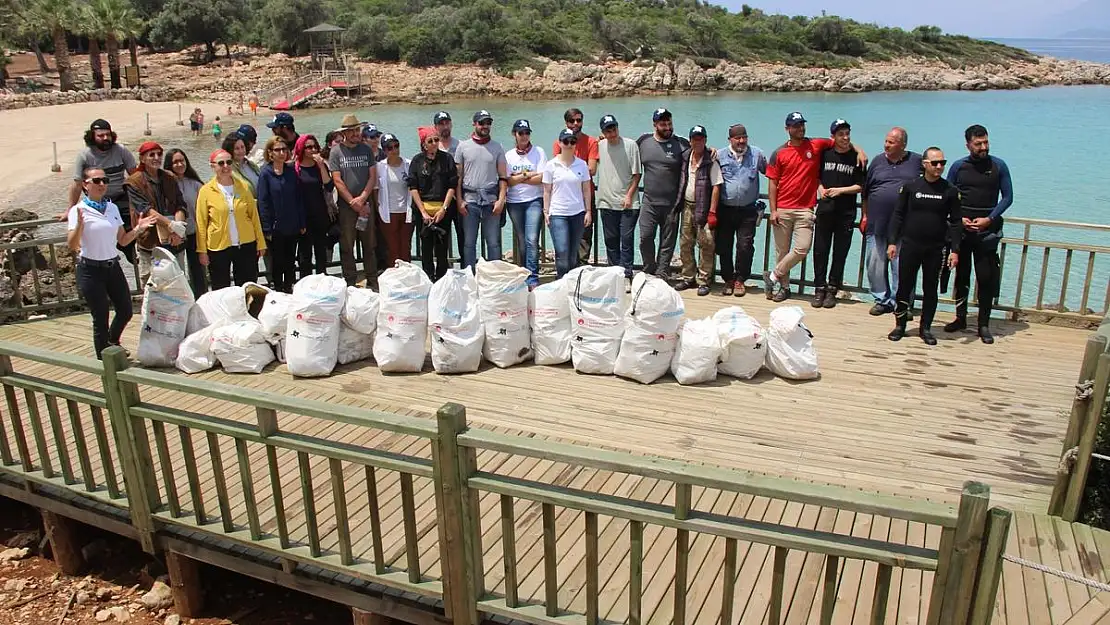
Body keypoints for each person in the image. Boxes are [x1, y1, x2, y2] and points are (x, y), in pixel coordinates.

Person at [764, 112, 865, 302]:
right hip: (783, 208)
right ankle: (784, 288)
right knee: (782, 251)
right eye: (796, 126)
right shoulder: (778, 153)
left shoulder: (816, 145)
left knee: (802, 249)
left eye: (802, 125)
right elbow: (772, 183)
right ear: (787, 129)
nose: (800, 128)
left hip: (805, 209)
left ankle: (773, 275)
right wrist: (773, 209)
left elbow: (840, 141)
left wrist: (859, 150)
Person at [68, 167, 158, 358]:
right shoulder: (78, 210)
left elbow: (123, 240)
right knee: (100, 318)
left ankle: (112, 342)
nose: (102, 184)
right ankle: (105, 360)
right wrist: (79, 227)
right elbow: (72, 244)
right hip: (90, 269)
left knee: (126, 310)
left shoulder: (112, 208)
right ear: (85, 185)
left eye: (105, 180)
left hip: (112, 266)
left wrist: (139, 229)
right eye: (97, 181)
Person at [944, 125, 1014, 345]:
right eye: (978, 144)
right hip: (963, 232)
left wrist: (990, 219)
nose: (983, 147)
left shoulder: (999, 166)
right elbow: (949, 195)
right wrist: (960, 219)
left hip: (987, 232)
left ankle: (984, 324)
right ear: (968, 145)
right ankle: (960, 318)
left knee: (985, 278)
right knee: (961, 277)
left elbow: (1008, 197)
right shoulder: (958, 166)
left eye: (986, 142)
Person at [886, 147, 962, 345]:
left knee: (931, 289)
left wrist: (955, 250)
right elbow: (898, 215)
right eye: (935, 163)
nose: (939, 167)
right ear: (925, 164)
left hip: (936, 249)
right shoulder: (911, 187)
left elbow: (956, 222)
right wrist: (892, 242)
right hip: (911, 245)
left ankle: (925, 328)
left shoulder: (950, 191)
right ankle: (900, 325)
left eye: (942, 163)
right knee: (904, 286)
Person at [861, 127, 922, 315]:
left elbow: (932, 182)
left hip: (905, 226)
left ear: (903, 144)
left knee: (902, 266)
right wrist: (864, 216)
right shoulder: (877, 161)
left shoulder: (917, 161)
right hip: (877, 224)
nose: (886, 145)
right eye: (886, 141)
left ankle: (901, 303)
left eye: (891, 142)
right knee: (875, 265)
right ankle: (882, 299)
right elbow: (865, 192)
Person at [811, 119, 865, 308]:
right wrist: (820, 189)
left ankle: (833, 288)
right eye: (841, 134)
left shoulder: (857, 158)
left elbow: (861, 186)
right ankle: (819, 287)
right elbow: (815, 177)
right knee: (820, 250)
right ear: (832, 136)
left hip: (846, 213)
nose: (845, 137)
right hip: (825, 210)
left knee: (840, 252)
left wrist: (840, 190)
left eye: (847, 133)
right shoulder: (825, 154)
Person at [195, 149, 267, 289]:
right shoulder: (205, 191)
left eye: (229, 162)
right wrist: (202, 251)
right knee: (221, 287)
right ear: (213, 166)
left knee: (248, 285)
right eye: (221, 163)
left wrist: (261, 243)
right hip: (218, 247)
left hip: (246, 244)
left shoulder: (244, 187)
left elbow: (254, 217)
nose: (226, 166)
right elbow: (201, 223)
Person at [70, 119, 138, 263]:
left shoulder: (121, 150)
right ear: (92, 136)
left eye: (108, 135)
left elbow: (135, 175)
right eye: (100, 135)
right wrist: (70, 210)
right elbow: (77, 185)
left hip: (121, 196)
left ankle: (131, 252)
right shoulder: (85, 155)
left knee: (132, 221)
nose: (105, 138)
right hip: (96, 200)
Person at [124, 141, 188, 286]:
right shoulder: (133, 182)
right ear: (142, 159)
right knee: (153, 289)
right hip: (149, 244)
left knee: (178, 286)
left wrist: (178, 229)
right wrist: (171, 225)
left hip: (174, 243)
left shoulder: (169, 177)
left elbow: (180, 204)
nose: (156, 157)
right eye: (151, 154)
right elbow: (145, 209)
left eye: (159, 154)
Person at [637, 108, 689, 279]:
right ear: (655, 125)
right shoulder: (643, 142)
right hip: (649, 202)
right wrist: (603, 141)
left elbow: (698, 153)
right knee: (645, 238)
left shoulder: (681, 144)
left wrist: (711, 151)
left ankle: (662, 272)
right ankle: (649, 267)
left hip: (672, 205)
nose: (667, 127)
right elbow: (625, 151)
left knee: (667, 243)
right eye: (663, 124)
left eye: (669, 123)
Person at [715, 123, 766, 297]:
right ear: (730, 139)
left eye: (744, 137)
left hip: (748, 210)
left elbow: (773, 174)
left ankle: (740, 279)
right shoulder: (719, 155)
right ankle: (728, 279)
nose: (741, 141)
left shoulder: (757, 155)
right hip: (725, 209)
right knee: (724, 246)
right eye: (737, 138)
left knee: (745, 246)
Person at [455, 109, 508, 270]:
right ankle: (470, 276)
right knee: (469, 243)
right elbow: (458, 178)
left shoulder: (497, 147)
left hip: (491, 201)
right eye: (482, 123)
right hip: (470, 201)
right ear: (474, 124)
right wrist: (459, 200)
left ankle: (494, 277)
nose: (485, 126)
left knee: (493, 243)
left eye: (488, 123)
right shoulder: (462, 147)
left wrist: (501, 200)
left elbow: (503, 177)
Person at [329, 114, 378, 287]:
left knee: (369, 245)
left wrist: (363, 198)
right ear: (344, 133)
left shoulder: (366, 150)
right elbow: (337, 180)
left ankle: (372, 281)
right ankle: (350, 282)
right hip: (347, 207)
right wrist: (353, 202)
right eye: (352, 131)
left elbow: (373, 176)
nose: (356, 133)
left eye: (357, 130)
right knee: (347, 246)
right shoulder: (335, 152)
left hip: (365, 205)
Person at [673, 126, 723, 296]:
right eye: (695, 138)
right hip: (687, 205)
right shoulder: (685, 157)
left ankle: (704, 280)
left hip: (704, 207)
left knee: (706, 243)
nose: (698, 141)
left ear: (705, 140)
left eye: (701, 138)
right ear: (690, 141)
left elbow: (716, 187)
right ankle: (688, 277)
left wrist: (713, 212)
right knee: (686, 243)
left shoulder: (711, 160)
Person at [595, 114, 641, 289]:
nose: (612, 132)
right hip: (606, 202)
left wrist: (629, 195)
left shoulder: (631, 145)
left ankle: (626, 274)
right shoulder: (599, 146)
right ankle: (615, 274)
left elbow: (637, 175)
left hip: (628, 203)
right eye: (608, 130)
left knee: (627, 240)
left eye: (614, 128)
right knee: (611, 240)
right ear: (603, 132)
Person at [550, 108, 599, 265]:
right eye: (572, 121)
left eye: (579, 120)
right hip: (564, 199)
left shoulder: (591, 142)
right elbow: (557, 167)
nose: (576, 123)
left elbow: (592, 170)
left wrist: (573, 166)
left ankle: (581, 270)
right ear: (566, 123)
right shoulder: (559, 142)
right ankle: (567, 272)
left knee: (584, 238)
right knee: (565, 241)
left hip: (585, 196)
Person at [257, 137, 305, 293]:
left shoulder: (291, 172)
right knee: (277, 262)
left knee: (291, 260)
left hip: (293, 224)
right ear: (270, 153)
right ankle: (277, 290)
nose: (282, 153)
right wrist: (266, 228)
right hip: (275, 227)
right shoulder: (265, 174)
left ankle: (289, 288)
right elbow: (263, 202)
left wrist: (302, 222)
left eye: (284, 149)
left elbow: (299, 198)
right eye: (278, 150)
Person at [543, 129, 593, 278]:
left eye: (572, 142)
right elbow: (546, 191)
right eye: (566, 142)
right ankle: (561, 282)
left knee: (572, 254)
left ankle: (571, 284)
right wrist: (546, 212)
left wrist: (588, 211)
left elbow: (586, 190)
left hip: (577, 213)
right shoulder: (551, 165)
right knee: (562, 252)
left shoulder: (582, 165)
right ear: (560, 143)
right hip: (558, 213)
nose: (569, 145)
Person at [410, 127, 458, 281]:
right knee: (426, 249)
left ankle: (442, 280)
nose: (434, 143)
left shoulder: (447, 159)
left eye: (436, 140)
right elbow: (413, 187)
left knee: (442, 249)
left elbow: (452, 185)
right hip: (423, 211)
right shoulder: (417, 161)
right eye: (430, 141)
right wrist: (423, 212)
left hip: (442, 210)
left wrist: (444, 208)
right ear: (424, 144)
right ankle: (428, 279)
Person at [505, 119, 546, 287]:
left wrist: (519, 179)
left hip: (534, 201)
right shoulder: (508, 155)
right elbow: (508, 181)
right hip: (514, 202)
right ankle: (524, 273)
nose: (524, 136)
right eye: (521, 133)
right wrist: (527, 176)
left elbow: (543, 177)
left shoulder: (539, 152)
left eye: (527, 133)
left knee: (532, 238)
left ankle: (533, 277)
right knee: (522, 239)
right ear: (514, 134)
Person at [164, 148, 207, 297]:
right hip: (175, 234)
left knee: (199, 272)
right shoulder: (165, 184)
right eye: (175, 162)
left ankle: (202, 300)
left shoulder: (195, 184)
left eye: (182, 160)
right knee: (178, 272)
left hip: (195, 232)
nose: (179, 164)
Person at [293, 134, 335, 278]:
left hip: (320, 214)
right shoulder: (295, 167)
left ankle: (322, 282)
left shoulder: (320, 166)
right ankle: (305, 283)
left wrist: (322, 166)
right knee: (305, 255)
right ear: (301, 149)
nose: (312, 150)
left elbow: (329, 186)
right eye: (308, 147)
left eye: (315, 147)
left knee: (321, 253)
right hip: (303, 216)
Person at [375, 133, 414, 266]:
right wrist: (378, 207)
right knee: (392, 249)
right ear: (384, 150)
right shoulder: (379, 167)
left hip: (406, 211)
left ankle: (407, 276)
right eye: (389, 148)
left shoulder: (408, 164)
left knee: (405, 248)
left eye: (396, 146)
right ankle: (393, 278)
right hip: (388, 213)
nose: (394, 150)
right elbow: (375, 190)